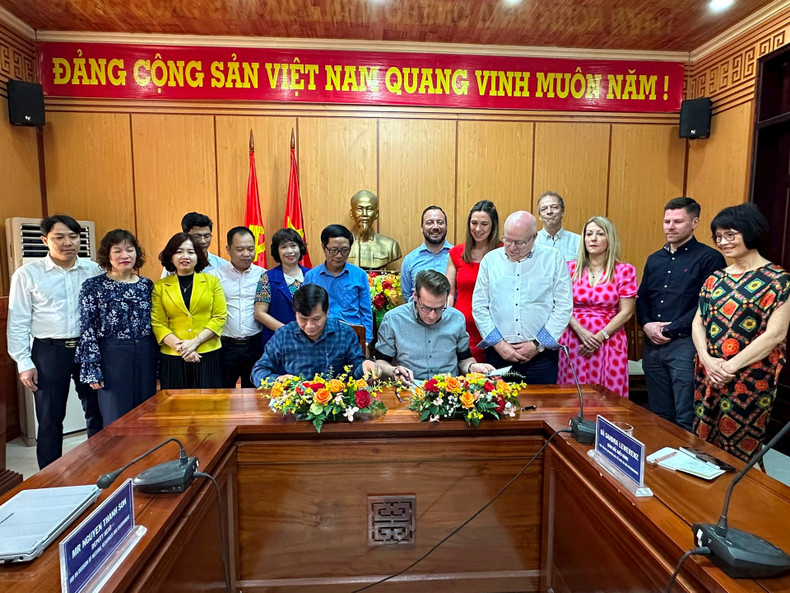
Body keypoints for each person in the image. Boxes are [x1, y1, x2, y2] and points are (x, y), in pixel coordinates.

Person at [692, 204, 790, 461]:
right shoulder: (714, 279)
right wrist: (707, 360)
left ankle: (741, 498)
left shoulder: (778, 280)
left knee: (741, 447)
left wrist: (728, 367)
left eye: (730, 234)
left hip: (750, 377)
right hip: (709, 372)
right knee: (702, 440)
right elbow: (698, 323)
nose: (723, 242)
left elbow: (775, 335)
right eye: (718, 236)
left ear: (750, 231)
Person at [7, 214, 103, 469]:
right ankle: (49, 474)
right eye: (59, 237)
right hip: (49, 350)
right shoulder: (28, 274)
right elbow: (17, 320)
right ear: (44, 240)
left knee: (96, 410)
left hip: (87, 349)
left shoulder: (93, 270)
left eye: (73, 236)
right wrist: (23, 362)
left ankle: (102, 467)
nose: (67, 242)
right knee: (49, 417)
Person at [637, 197, 726, 430]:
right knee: (658, 413)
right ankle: (660, 463)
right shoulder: (654, 259)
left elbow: (705, 305)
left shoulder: (710, 258)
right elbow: (643, 297)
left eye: (678, 221)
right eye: (667, 221)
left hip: (685, 344)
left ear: (694, 222)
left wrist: (669, 329)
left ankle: (685, 463)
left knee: (685, 414)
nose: (670, 226)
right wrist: (647, 325)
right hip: (652, 344)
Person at [472, 211, 573, 383]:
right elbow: (479, 306)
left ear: (534, 237)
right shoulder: (490, 261)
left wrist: (538, 344)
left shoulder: (553, 259)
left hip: (541, 356)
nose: (511, 247)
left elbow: (563, 306)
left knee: (542, 407)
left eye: (519, 243)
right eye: (507, 240)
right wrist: (499, 344)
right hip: (499, 353)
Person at [75, 229, 158, 425]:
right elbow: (88, 329)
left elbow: (155, 325)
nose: (125, 256)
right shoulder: (93, 286)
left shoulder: (146, 284)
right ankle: (117, 457)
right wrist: (92, 367)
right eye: (117, 251)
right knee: (116, 415)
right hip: (112, 354)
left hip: (145, 352)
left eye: (130, 250)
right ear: (107, 255)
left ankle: (146, 455)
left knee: (147, 411)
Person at [557, 217, 637, 397]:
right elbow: (560, 305)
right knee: (571, 395)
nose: (593, 238)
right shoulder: (569, 268)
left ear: (610, 239)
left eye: (600, 234)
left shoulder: (624, 270)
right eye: (589, 234)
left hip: (609, 340)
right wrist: (581, 332)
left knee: (608, 397)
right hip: (573, 337)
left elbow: (626, 312)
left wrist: (600, 336)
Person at [375, 270, 495, 384]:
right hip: (410, 386)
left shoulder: (456, 319)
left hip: (448, 390)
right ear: (416, 296)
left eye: (439, 308)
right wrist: (394, 371)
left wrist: (472, 367)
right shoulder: (394, 319)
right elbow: (380, 362)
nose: (432, 315)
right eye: (426, 308)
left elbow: (464, 359)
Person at [251, 284, 377, 384]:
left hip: (335, 404)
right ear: (295, 313)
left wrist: (364, 366)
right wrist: (278, 380)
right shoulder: (284, 335)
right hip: (295, 402)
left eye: (316, 319)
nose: (310, 326)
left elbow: (355, 370)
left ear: (327, 312)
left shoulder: (344, 333)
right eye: (303, 319)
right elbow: (258, 372)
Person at [152, 232, 227, 389]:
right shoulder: (160, 286)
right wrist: (183, 348)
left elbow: (219, 316)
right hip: (173, 355)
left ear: (198, 256)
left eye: (190, 252)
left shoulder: (212, 282)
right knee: (175, 407)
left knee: (211, 406)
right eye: (179, 252)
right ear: (170, 256)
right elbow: (158, 323)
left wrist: (195, 342)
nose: (185, 256)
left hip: (208, 353)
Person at [207, 227, 266, 388]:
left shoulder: (263, 275)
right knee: (223, 398)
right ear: (228, 249)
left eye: (250, 249)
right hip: (225, 346)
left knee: (254, 397)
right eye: (240, 249)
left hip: (255, 345)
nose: (246, 254)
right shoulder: (214, 276)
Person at [446, 200, 500, 362]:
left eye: (484, 224)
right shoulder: (456, 252)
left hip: (494, 329)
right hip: (464, 329)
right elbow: (449, 294)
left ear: (493, 226)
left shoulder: (503, 252)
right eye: (474, 223)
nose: (478, 229)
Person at [304, 224, 373, 343]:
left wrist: (366, 341)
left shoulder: (359, 275)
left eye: (344, 250)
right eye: (334, 250)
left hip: (352, 336)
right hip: (320, 336)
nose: (339, 255)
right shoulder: (311, 276)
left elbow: (366, 312)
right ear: (323, 247)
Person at [254, 228, 311, 350]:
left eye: (293, 246)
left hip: (309, 340)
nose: (289, 251)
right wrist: (287, 331)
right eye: (284, 247)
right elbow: (259, 313)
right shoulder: (267, 278)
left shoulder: (312, 275)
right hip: (277, 341)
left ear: (300, 248)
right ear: (277, 251)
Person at [400, 206, 453, 301]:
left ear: (446, 226)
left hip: (450, 314)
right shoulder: (410, 260)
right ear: (421, 228)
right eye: (430, 222)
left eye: (440, 222)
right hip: (418, 315)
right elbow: (407, 295)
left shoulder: (458, 256)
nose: (435, 227)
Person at [347, 189, 402, 270]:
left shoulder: (391, 245)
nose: (364, 214)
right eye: (360, 209)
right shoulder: (340, 246)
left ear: (376, 214)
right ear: (352, 214)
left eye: (369, 209)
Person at [161, 212, 228, 277]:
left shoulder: (222, 266)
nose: (203, 241)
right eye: (197, 236)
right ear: (185, 236)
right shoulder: (175, 264)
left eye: (207, 236)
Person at [534, 191, 581, 261]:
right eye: (544, 209)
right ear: (540, 216)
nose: (549, 211)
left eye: (554, 207)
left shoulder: (578, 241)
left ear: (562, 212)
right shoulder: (532, 242)